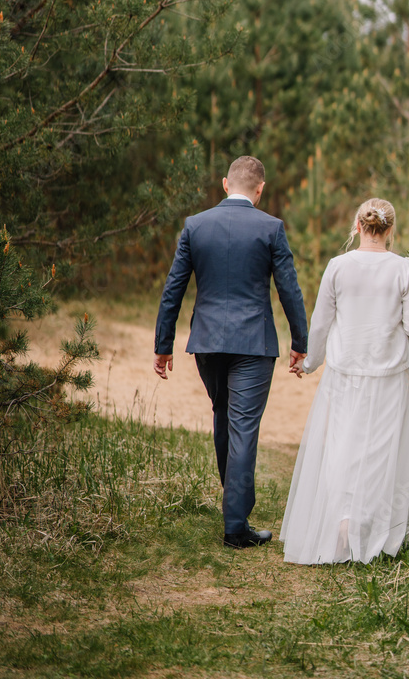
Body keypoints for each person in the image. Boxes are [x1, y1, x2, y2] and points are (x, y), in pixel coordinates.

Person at [154, 155, 308, 549]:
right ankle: (236, 526)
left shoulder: (196, 225)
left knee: (224, 416)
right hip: (253, 344)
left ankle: (234, 509)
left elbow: (174, 288)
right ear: (260, 189)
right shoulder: (271, 228)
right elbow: (289, 289)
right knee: (242, 426)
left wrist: (163, 345)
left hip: (207, 343)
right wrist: (300, 342)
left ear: (225, 184)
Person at [280, 198, 409, 565]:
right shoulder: (404, 269)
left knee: (344, 446)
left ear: (357, 226)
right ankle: (373, 529)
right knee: (381, 452)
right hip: (390, 375)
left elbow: (320, 323)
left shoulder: (337, 266)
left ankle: (343, 522)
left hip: (346, 374)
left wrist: (310, 363)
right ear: (390, 230)